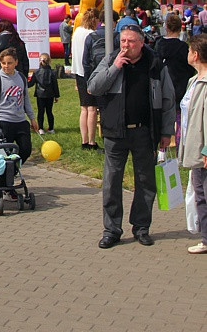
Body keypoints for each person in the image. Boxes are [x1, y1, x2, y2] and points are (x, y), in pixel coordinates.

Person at [88, 24, 175, 248]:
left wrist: (166, 132)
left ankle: (141, 227)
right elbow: (93, 87)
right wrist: (115, 67)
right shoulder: (111, 59)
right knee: (111, 182)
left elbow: (168, 100)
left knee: (146, 182)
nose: (126, 46)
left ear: (142, 42)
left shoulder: (155, 63)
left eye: (131, 42)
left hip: (145, 132)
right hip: (115, 132)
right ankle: (112, 230)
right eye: (123, 41)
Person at [178, 34, 207, 253]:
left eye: (189, 50)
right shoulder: (193, 80)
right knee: (199, 193)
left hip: (203, 149)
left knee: (204, 194)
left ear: (195, 54)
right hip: (194, 145)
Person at [0, 47, 38, 166]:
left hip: (20, 121)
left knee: (26, 149)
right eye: (3, 63)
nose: (6, 66)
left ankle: (14, 169)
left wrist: (32, 118)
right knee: (5, 153)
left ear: (16, 62)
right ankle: (6, 175)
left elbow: (25, 99)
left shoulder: (21, 78)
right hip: (4, 121)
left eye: (9, 63)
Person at [153, 14, 194, 152]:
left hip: (161, 85)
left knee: (161, 117)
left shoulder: (158, 44)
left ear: (166, 27)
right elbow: (190, 67)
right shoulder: (182, 47)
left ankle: (161, 150)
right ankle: (179, 149)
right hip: (178, 85)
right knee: (179, 119)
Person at [71, 8, 99, 150]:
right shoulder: (91, 35)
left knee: (84, 108)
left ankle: (84, 139)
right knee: (92, 109)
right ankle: (92, 141)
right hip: (89, 72)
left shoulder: (77, 32)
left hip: (78, 72)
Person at [28, 52, 60, 134]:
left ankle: (41, 128)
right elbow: (55, 85)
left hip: (40, 94)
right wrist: (57, 96)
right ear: (49, 61)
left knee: (40, 112)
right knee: (49, 112)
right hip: (50, 95)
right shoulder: (52, 72)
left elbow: (31, 83)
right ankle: (51, 128)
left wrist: (24, 83)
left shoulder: (36, 72)